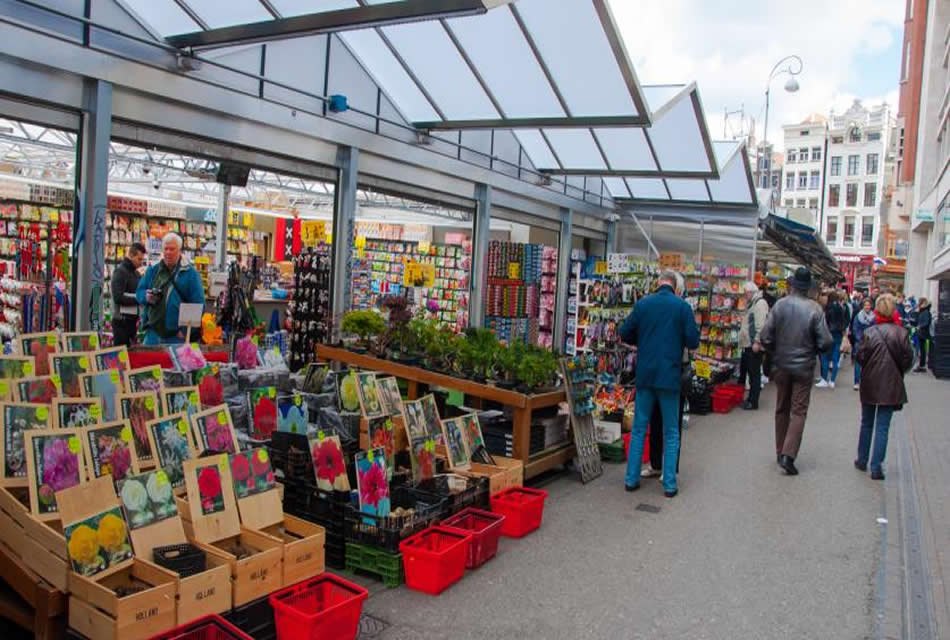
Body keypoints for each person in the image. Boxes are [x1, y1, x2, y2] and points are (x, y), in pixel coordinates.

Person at [620, 270, 699, 497]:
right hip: (669, 377)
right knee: (671, 431)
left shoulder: (644, 304)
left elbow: (625, 333)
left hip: (645, 376)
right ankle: (669, 485)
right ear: (675, 286)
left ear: (658, 283)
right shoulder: (682, 307)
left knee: (638, 429)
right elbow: (693, 340)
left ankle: (631, 480)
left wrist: (642, 340)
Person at [759, 267, 833, 476]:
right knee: (798, 411)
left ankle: (780, 450)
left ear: (792, 285)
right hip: (803, 368)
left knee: (781, 408)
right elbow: (826, 341)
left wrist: (775, 351)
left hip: (781, 365)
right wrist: (813, 350)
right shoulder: (815, 309)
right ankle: (788, 455)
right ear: (808, 287)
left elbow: (766, 336)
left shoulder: (780, 305)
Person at [854, 294, 913, 480]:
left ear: (877, 310)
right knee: (882, 427)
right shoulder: (901, 333)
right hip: (890, 385)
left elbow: (860, 357)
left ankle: (862, 460)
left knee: (867, 423)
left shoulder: (870, 333)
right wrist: (898, 372)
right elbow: (908, 359)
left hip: (870, 383)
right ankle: (877, 466)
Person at [642, 273, 689, 479]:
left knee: (665, 423)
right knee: (667, 423)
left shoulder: (681, 307)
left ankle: (665, 467)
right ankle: (660, 466)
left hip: (664, 370)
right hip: (669, 371)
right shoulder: (679, 307)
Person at [136, 233, 205, 346]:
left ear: (179, 250)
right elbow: (139, 292)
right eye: (166, 249)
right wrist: (146, 296)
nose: (168, 252)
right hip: (153, 335)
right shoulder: (153, 270)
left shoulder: (190, 274)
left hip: (176, 337)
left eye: (172, 249)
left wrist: (184, 332)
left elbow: (199, 304)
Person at [738, 281, 769, 409]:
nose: (745, 296)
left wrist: (757, 341)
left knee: (754, 374)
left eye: (745, 293)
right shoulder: (753, 303)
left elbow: (760, 325)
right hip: (749, 344)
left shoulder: (759, 303)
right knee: (751, 373)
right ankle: (750, 399)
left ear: (750, 292)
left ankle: (753, 402)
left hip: (753, 345)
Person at [110, 242, 146, 347]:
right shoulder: (120, 272)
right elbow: (118, 297)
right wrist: (139, 298)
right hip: (121, 322)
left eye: (142, 260)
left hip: (131, 321)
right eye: (139, 259)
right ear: (131, 255)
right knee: (122, 356)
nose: (141, 263)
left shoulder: (136, 273)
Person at [850, 298, 875, 390]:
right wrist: (860, 338)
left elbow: (875, 328)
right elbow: (855, 329)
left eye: (868, 305)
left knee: (869, 363)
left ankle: (866, 382)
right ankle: (856, 382)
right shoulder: (858, 316)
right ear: (863, 306)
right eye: (865, 305)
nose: (867, 307)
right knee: (858, 363)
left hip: (871, 342)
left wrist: (871, 338)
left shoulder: (874, 317)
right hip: (860, 342)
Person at [915, 297, 933, 372]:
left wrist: (919, 326)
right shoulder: (924, 311)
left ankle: (922, 365)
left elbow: (925, 323)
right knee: (922, 350)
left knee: (922, 350)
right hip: (922, 332)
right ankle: (922, 365)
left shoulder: (925, 311)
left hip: (923, 333)